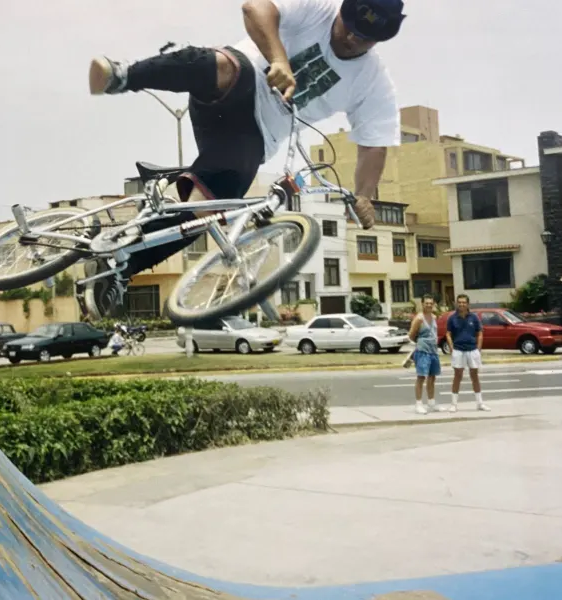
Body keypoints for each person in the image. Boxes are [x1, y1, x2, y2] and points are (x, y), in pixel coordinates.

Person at [82, 0, 406, 319]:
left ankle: (119, 262)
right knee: (222, 66)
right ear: (340, 11)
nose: (350, 39)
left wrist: (363, 194)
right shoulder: (316, 8)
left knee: (204, 211)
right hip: (242, 80)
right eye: (347, 27)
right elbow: (255, 8)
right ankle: (124, 75)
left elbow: (374, 145)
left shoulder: (374, 82)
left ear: (381, 38)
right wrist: (278, 59)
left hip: (254, 137)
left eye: (362, 37)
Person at [446, 294, 490, 412]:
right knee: (457, 376)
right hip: (458, 350)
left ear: (468, 304)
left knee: (474, 376)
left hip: (472, 350)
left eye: (464, 302)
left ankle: (480, 403)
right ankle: (454, 404)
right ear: (456, 303)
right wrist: (451, 348)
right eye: (459, 302)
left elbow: (480, 332)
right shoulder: (452, 318)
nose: (461, 304)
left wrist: (478, 348)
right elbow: (448, 334)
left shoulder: (474, 317)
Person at [407, 294, 443, 415]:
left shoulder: (433, 317)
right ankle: (418, 404)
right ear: (422, 304)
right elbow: (411, 335)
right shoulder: (419, 319)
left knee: (432, 377)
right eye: (426, 303)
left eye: (431, 303)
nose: (429, 305)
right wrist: (420, 343)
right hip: (422, 351)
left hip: (433, 351)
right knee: (421, 377)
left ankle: (431, 403)